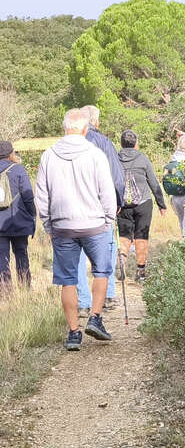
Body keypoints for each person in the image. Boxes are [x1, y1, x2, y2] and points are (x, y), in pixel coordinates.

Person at [35, 109, 116, 351]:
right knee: (101, 270)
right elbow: (107, 192)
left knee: (67, 279)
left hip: (62, 226)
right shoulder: (95, 154)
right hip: (94, 224)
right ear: (85, 129)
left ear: (64, 128)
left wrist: (49, 224)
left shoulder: (49, 156)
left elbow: (41, 195)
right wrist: (109, 220)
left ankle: (73, 333)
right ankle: (95, 317)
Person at [77, 105, 125, 316]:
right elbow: (117, 177)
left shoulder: (66, 146)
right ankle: (107, 295)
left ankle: (83, 301)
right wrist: (118, 203)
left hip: (74, 208)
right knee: (106, 250)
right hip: (100, 207)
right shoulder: (104, 143)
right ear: (95, 122)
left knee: (76, 255)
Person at [117, 130, 166, 282]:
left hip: (123, 205)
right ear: (136, 143)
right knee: (141, 236)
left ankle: (122, 266)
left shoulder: (115, 159)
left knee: (124, 236)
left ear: (121, 143)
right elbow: (153, 182)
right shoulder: (143, 159)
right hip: (143, 203)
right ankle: (140, 271)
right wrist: (161, 204)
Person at [0, 141, 36, 288]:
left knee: (2, 259)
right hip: (19, 222)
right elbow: (28, 197)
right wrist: (33, 216)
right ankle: (25, 288)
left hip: (0, 225)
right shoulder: (18, 169)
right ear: (11, 154)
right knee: (21, 255)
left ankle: (5, 293)